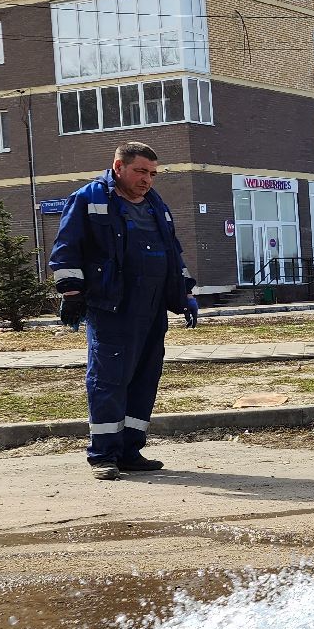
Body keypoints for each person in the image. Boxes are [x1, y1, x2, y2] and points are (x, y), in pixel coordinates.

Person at [49, 141, 199, 480]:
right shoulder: (88, 200)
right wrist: (71, 293)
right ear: (119, 167)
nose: (147, 179)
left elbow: (173, 253)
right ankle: (104, 455)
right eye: (140, 171)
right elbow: (65, 250)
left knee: (144, 379)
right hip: (113, 308)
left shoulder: (155, 205)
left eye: (152, 173)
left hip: (152, 309)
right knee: (109, 380)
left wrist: (186, 293)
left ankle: (131, 450)